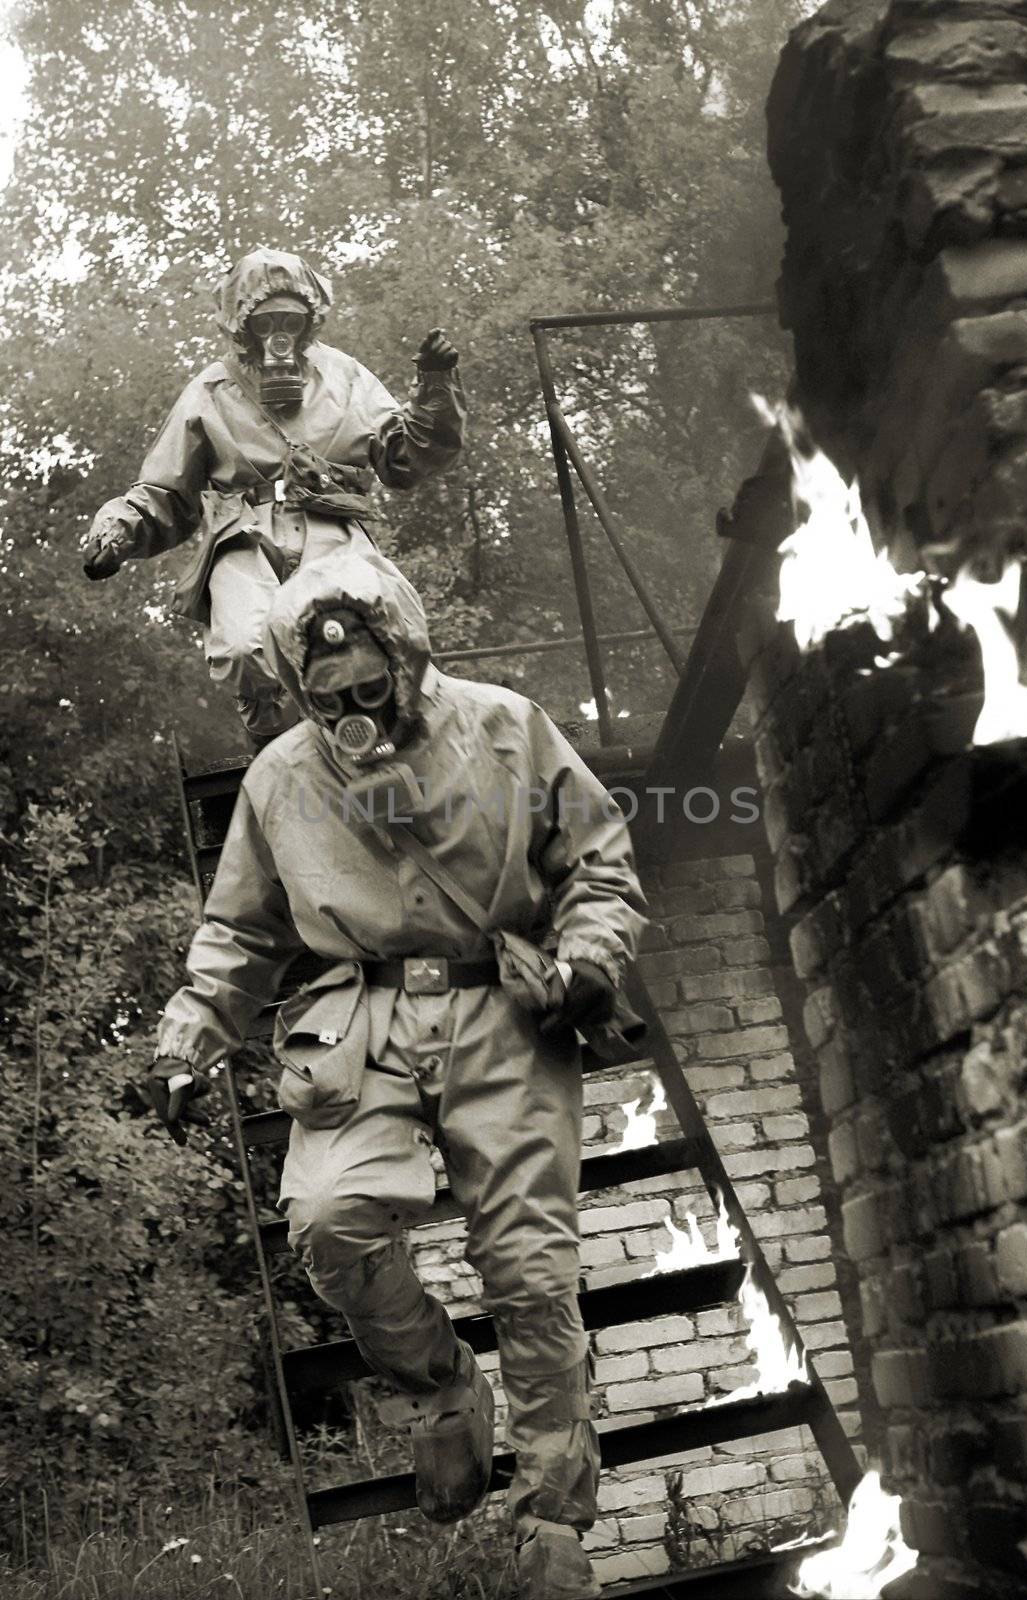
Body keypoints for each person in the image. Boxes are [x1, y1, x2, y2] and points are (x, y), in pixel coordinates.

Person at [142, 547, 647, 1599]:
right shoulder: (282, 777)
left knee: (530, 1272)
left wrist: (588, 960)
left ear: (405, 655)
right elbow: (238, 930)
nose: (350, 708)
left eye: (368, 685)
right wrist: (190, 1033)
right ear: (296, 684)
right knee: (326, 1221)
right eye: (325, 694)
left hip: (501, 1008)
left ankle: (552, 1517)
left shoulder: (506, 725)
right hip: (355, 1015)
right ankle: (441, 1385)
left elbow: (596, 860)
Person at [82, 247, 465, 743]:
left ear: (310, 318)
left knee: (379, 624)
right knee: (245, 647)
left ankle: (385, 730)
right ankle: (280, 753)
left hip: (330, 527)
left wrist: (436, 389)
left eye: (290, 319)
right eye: (264, 322)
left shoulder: (343, 377)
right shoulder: (213, 390)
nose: (278, 335)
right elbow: (164, 490)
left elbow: (405, 456)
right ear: (241, 323)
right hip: (243, 537)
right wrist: (118, 529)